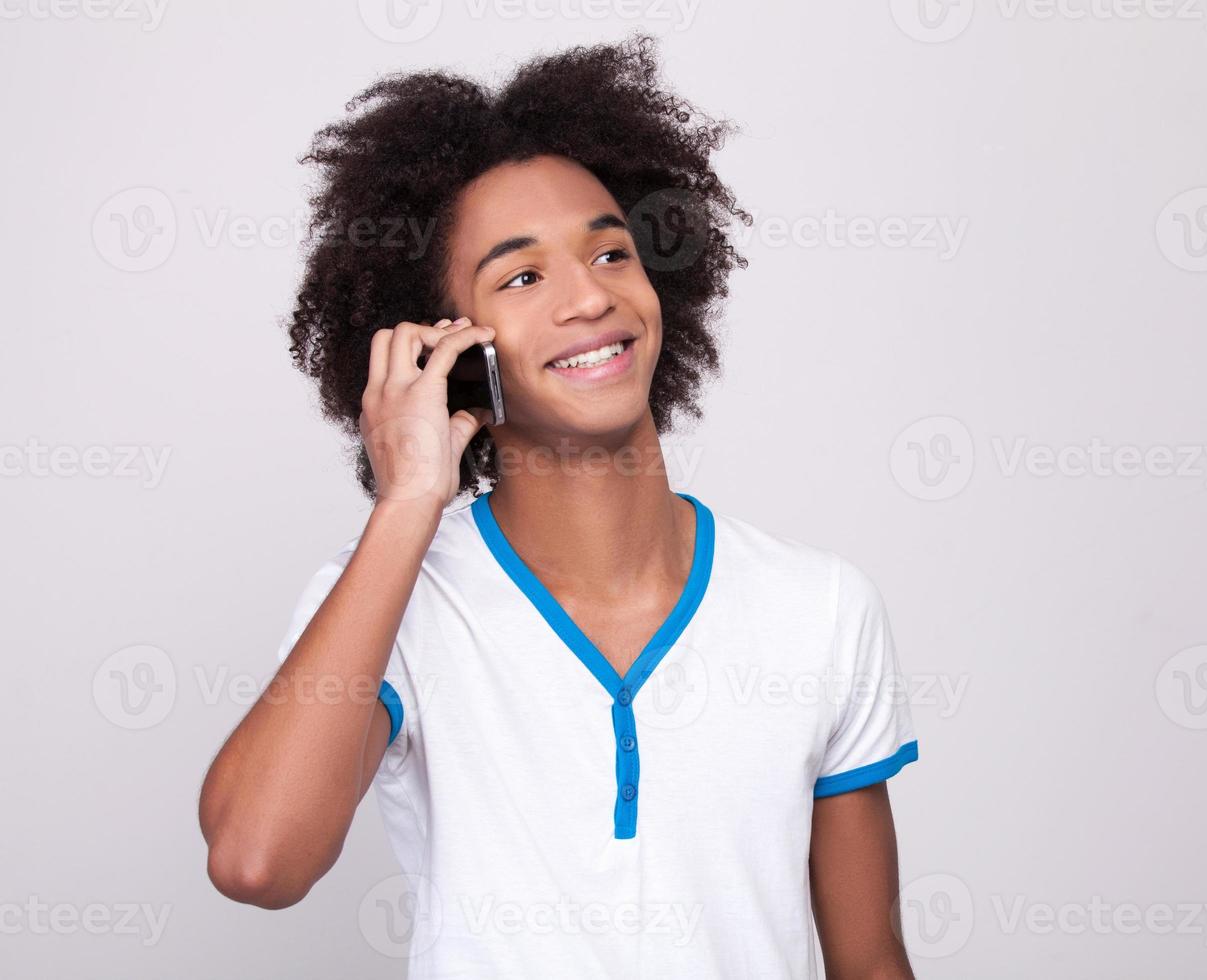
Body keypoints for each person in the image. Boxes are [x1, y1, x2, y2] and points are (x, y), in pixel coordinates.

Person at [198, 33, 919, 979]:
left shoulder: (820, 608)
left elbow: (871, 964)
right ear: (446, 345)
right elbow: (258, 860)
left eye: (611, 252)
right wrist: (411, 496)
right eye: (522, 277)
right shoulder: (390, 600)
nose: (588, 297)